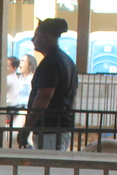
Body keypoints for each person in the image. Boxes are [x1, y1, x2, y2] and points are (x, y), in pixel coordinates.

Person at [21, 17, 78, 150]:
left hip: (49, 128)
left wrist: (27, 127)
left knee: (47, 162)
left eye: (36, 36)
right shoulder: (67, 60)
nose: (33, 40)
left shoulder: (50, 63)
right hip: (62, 126)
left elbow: (44, 97)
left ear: (46, 38)